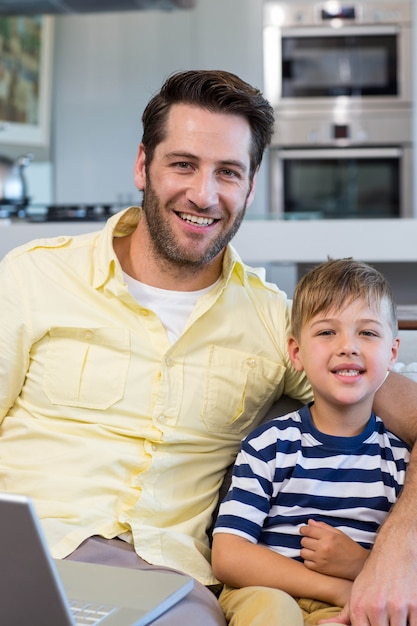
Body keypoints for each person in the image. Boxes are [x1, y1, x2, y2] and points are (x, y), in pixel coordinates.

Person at [0, 70, 416, 625]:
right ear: (142, 164)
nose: (204, 193)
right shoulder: (35, 276)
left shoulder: (277, 322)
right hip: (26, 557)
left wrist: (395, 555)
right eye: (183, 164)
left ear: (250, 184)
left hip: (168, 585)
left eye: (228, 172)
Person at [212, 258, 410, 626]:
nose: (348, 346)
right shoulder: (270, 444)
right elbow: (229, 555)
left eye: (367, 333)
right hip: (267, 592)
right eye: (326, 333)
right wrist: (335, 588)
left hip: (355, 598)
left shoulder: (400, 462)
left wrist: (360, 567)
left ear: (392, 354)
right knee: (275, 612)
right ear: (297, 354)